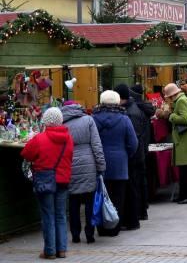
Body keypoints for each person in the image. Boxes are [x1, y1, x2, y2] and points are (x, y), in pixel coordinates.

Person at [21, 107, 74, 259]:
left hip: (45, 180)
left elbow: (26, 154)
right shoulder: (68, 138)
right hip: (63, 180)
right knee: (61, 215)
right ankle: (62, 249)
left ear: (45, 121)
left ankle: (50, 251)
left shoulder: (40, 138)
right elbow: (70, 158)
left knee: (48, 216)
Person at [92, 90, 138, 236]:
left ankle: (101, 228)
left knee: (101, 196)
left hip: (99, 164)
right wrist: (126, 155)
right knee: (118, 197)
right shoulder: (124, 119)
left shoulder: (93, 119)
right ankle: (114, 228)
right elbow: (133, 142)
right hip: (120, 164)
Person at [61, 101, 106, 244]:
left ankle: (75, 234)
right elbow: (97, 145)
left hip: (70, 164)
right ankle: (90, 234)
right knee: (89, 202)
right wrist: (101, 166)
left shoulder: (62, 124)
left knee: (73, 201)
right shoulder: (88, 120)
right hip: (89, 164)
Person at [114, 84, 148, 231]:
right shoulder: (133, 109)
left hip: (133, 156)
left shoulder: (130, 113)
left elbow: (132, 139)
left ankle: (133, 220)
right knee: (134, 187)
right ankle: (136, 217)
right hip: (137, 154)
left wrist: (128, 153)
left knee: (132, 188)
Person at [129, 84, 154, 221]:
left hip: (137, 147)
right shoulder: (145, 108)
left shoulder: (133, 110)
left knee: (136, 180)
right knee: (143, 177)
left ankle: (140, 208)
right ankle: (144, 207)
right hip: (144, 144)